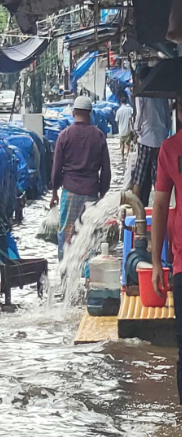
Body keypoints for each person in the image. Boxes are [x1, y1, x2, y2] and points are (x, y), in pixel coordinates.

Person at [50, 96, 111, 262]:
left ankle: (64, 272)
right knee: (89, 233)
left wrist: (55, 192)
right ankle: (88, 274)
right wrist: (102, 193)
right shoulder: (99, 137)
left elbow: (56, 169)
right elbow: (106, 170)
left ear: (73, 113)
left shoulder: (64, 136)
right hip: (91, 193)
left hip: (69, 193)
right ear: (90, 113)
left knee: (66, 232)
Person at [151, 96, 182, 405]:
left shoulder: (170, 149)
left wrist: (156, 261)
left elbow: (160, 205)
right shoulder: (169, 150)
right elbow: (160, 205)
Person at [131, 67, 172, 207]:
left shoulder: (142, 93)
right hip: (161, 139)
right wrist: (165, 131)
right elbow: (168, 115)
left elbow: (139, 115)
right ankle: (157, 207)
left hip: (146, 139)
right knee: (157, 176)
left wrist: (137, 130)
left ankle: (136, 208)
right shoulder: (162, 94)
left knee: (139, 176)